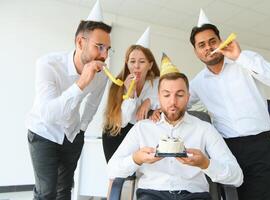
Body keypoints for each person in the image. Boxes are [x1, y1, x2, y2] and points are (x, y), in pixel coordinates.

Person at [107, 54, 243, 200]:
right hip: (152, 194)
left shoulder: (205, 129)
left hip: (194, 195)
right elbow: (111, 170)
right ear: (158, 97)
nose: (173, 102)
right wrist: (136, 159)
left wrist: (206, 163)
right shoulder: (142, 129)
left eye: (179, 94)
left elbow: (237, 177)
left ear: (188, 97)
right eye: (166, 95)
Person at [188, 9, 270, 200]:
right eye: (201, 45)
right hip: (227, 151)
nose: (208, 47)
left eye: (212, 41)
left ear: (221, 41)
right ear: (196, 52)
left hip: (260, 147)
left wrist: (240, 57)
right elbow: (177, 104)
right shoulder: (197, 83)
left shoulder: (245, 60)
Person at [25, 1, 112, 199]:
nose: (104, 55)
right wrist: (81, 84)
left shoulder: (101, 75)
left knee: (64, 189)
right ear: (80, 42)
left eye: (108, 49)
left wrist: (81, 129)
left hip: (72, 134)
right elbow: (49, 113)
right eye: (99, 47)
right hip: (43, 132)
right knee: (46, 191)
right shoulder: (48, 65)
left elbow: (92, 104)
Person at [102, 27, 160, 162]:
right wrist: (130, 93)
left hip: (143, 134)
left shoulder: (158, 83)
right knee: (117, 175)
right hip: (117, 132)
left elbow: (168, 101)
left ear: (150, 65)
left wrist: (149, 102)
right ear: (127, 63)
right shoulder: (118, 85)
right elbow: (122, 121)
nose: (136, 66)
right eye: (132, 61)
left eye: (142, 62)